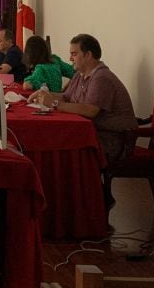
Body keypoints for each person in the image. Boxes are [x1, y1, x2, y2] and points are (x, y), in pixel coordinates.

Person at [27, 33, 137, 207]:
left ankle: (88, 202)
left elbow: (90, 110)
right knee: (57, 143)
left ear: (88, 55)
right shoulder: (80, 75)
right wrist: (44, 95)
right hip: (93, 132)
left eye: (74, 54)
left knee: (65, 148)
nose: (70, 58)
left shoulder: (101, 78)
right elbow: (67, 97)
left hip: (113, 139)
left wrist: (53, 103)